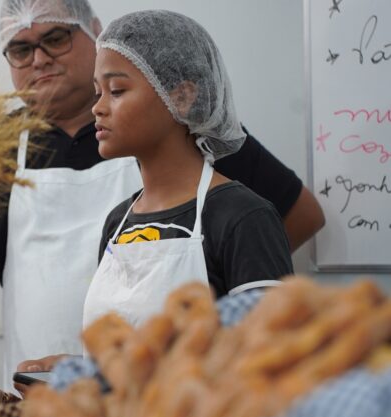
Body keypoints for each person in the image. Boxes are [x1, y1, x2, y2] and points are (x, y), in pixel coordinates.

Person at [0, 0, 323, 390]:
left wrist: (228, 274)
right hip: (70, 400)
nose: (39, 60)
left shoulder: (228, 195)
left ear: (92, 31)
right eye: (21, 49)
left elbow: (267, 359)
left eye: (55, 38)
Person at [82, 9, 293, 330]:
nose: (97, 107)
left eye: (117, 91)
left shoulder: (243, 218)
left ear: (181, 97)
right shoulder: (117, 223)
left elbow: (271, 359)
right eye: (98, 92)